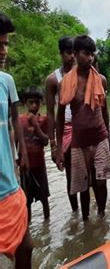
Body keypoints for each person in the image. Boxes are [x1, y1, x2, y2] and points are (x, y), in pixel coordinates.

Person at [56, 35, 110, 221]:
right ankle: (87, 222)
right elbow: (59, 117)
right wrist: (58, 148)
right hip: (78, 142)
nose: (90, 58)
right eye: (85, 54)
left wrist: (109, 141)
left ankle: (102, 219)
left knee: (101, 181)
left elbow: (104, 112)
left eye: (92, 54)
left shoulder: (100, 80)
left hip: (100, 137)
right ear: (76, 54)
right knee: (83, 186)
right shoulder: (66, 82)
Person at [0, 12, 33, 269]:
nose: (4, 51)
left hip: (9, 180)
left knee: (26, 246)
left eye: (6, 43)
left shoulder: (7, 81)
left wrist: (22, 151)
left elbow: (15, 120)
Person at [44, 36, 78, 212]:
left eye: (74, 52)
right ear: (61, 54)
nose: (72, 56)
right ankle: (75, 213)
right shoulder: (53, 80)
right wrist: (54, 145)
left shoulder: (82, 74)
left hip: (81, 127)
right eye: (68, 53)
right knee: (70, 176)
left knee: (87, 172)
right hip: (64, 129)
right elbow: (50, 113)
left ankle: (88, 217)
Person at [19, 88, 50, 222]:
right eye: (31, 103)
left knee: (44, 198)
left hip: (39, 165)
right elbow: (16, 143)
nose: (34, 106)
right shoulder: (19, 121)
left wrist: (36, 126)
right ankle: (28, 224)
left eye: (37, 103)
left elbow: (45, 141)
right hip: (25, 167)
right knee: (27, 200)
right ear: (25, 103)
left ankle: (47, 224)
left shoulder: (43, 120)